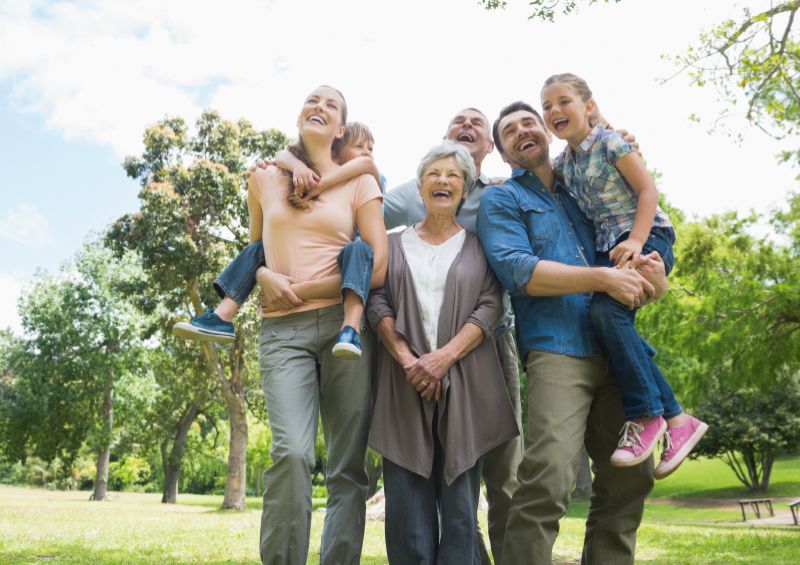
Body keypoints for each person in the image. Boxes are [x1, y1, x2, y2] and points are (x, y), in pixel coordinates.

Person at [478, 101, 668, 564]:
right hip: (557, 349)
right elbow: (519, 271)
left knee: (632, 473)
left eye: (530, 123)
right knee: (549, 477)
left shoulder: (588, 184)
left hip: (618, 346)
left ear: (546, 133)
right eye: (509, 131)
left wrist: (651, 283)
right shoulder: (502, 199)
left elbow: (632, 238)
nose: (523, 131)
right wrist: (602, 279)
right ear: (503, 154)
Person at [540, 73, 707, 477]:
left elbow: (648, 191)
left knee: (605, 315)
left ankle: (648, 414)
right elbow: (542, 179)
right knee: (609, 322)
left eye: (563, 101)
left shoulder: (611, 143)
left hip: (647, 238)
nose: (554, 111)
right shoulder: (566, 162)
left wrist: (636, 240)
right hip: (611, 249)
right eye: (547, 106)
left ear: (589, 106)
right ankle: (678, 420)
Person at [248, 85, 387, 564]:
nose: (319, 106)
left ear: (340, 128)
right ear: (299, 114)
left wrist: (302, 289)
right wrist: (264, 274)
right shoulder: (264, 177)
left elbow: (377, 267)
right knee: (291, 456)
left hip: (344, 328)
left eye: (331, 104)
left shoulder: (359, 183)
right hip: (282, 331)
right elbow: (254, 253)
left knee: (347, 468)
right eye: (313, 99)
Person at [367, 141, 518, 564]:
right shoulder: (393, 245)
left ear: (465, 191)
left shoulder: (479, 246)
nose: (443, 181)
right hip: (402, 386)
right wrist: (407, 359)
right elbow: (377, 302)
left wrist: (442, 358)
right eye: (434, 173)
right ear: (419, 187)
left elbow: (490, 305)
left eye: (453, 176)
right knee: (406, 519)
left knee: (459, 518)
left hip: (466, 387)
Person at [172, 121, 384, 360]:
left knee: (357, 249)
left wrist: (320, 183)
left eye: (371, 147)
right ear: (335, 150)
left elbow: (367, 165)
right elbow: (282, 154)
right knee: (258, 248)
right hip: (307, 281)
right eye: (359, 146)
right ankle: (224, 314)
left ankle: (350, 327)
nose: (367, 152)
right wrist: (298, 167)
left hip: (351, 267)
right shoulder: (300, 176)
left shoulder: (367, 178)